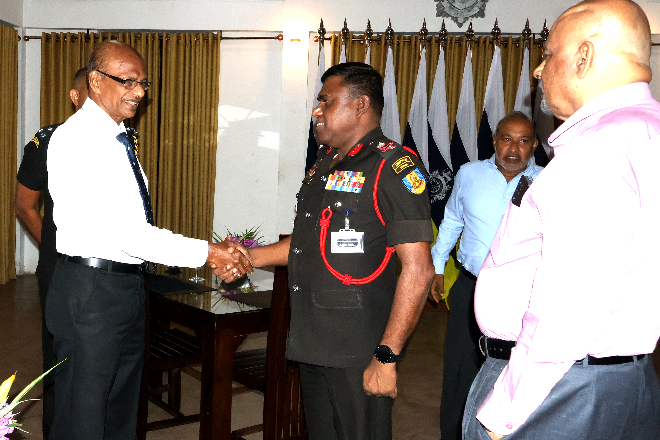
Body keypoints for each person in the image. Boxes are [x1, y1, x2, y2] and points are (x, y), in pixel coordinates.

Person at [463, 1, 660, 439]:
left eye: (549, 53)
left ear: (584, 56)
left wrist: (504, 413)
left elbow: (571, 300)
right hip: (621, 380)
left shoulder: (598, 147)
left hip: (558, 391)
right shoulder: (647, 130)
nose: (538, 70)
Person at [45, 41, 252, 440]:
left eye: (142, 82)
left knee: (120, 413)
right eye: (127, 81)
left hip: (123, 287)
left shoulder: (117, 137)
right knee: (82, 417)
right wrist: (208, 252)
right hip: (91, 293)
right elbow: (127, 234)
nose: (139, 91)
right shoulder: (80, 139)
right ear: (95, 81)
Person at [227, 62, 435, 440]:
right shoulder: (325, 162)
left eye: (326, 101)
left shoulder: (392, 166)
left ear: (360, 105)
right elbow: (308, 242)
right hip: (313, 336)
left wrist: (387, 356)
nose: (316, 110)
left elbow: (419, 270)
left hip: (359, 345)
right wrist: (249, 257)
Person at [430, 111, 542, 440]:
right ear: (494, 141)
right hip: (472, 289)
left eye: (523, 141)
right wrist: (438, 266)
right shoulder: (469, 174)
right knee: (461, 369)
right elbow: (452, 220)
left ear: (534, 145)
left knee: (517, 373)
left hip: (525, 296)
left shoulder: (547, 182)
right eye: (507, 139)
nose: (514, 149)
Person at [14, 67, 88, 439]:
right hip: (62, 267)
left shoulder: (125, 141)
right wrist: (56, 250)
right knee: (60, 354)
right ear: (75, 97)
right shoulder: (47, 142)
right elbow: (25, 206)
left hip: (109, 270)